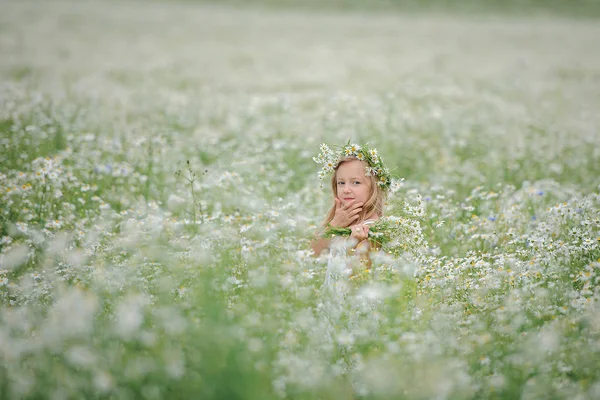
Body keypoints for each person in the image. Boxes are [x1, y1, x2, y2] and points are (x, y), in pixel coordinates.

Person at [310, 142, 392, 265]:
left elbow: (359, 277)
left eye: (356, 183)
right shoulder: (339, 221)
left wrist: (353, 244)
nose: (346, 189)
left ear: (374, 187)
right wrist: (333, 226)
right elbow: (310, 255)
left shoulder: (373, 230)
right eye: (341, 183)